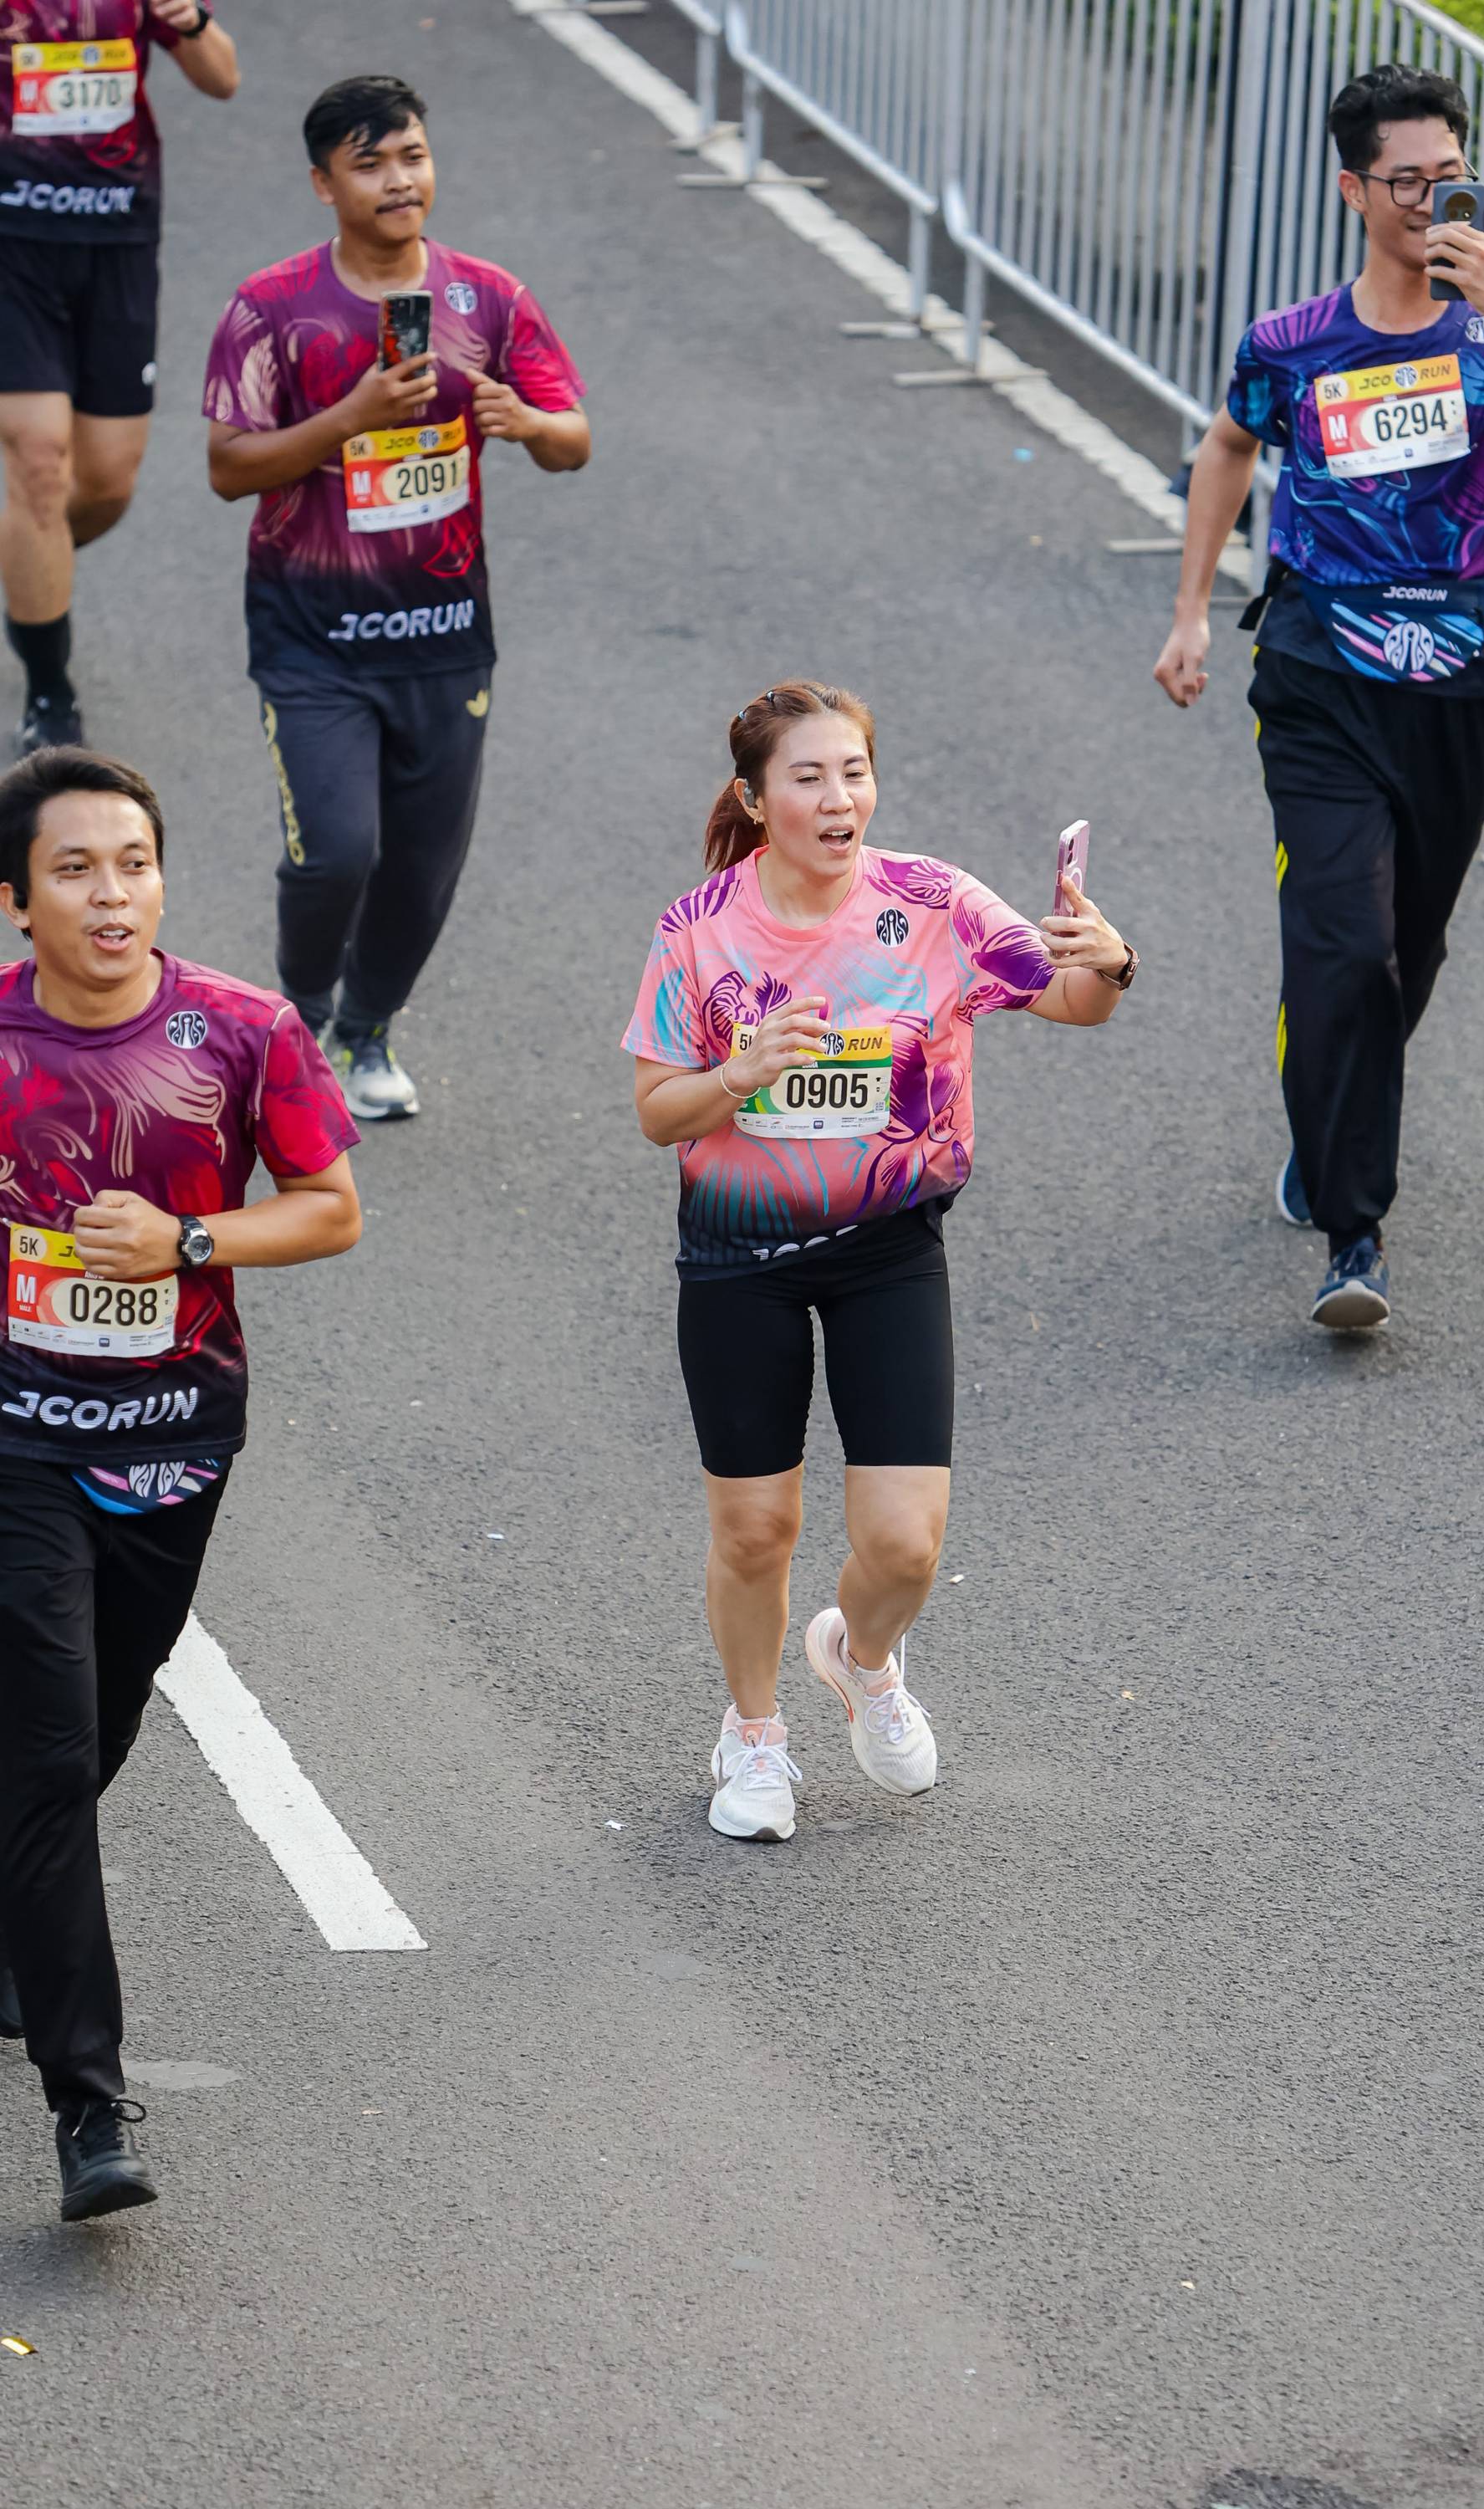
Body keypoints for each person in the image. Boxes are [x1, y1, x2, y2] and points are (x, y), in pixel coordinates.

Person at [623, 682, 1137, 1842]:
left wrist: (1111, 962)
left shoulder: (933, 902)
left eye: (853, 773)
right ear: (755, 800)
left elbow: (1070, 999)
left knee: (905, 1546)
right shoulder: (698, 929)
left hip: (889, 1251)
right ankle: (755, 1736)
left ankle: (861, 1660)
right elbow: (657, 1113)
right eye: (807, 778)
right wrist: (739, 1073)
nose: (837, 798)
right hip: (740, 1258)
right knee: (756, 1530)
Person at [1153, 62, 1484, 1331]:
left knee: (1406, 950)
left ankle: (1330, 1111)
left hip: (1454, 679)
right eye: (1403, 182)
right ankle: (1354, 1235)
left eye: (1448, 177)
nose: (1428, 202)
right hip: (1317, 671)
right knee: (1342, 942)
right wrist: (1190, 610)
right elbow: (1229, 443)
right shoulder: (1291, 342)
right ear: (1352, 190)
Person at [0, 744, 360, 2222]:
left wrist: (189, 1242)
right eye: (75, 869)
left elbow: (331, 1209)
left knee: (97, 1728)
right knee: (44, 1752)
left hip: (176, 1436)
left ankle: (19, 1917)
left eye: (134, 866)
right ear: (17, 900)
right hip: (17, 1438)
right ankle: (90, 2108)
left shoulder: (244, 1030)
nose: (111, 895)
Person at [202, 73, 589, 1122]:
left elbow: (573, 439)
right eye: (368, 164)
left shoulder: (488, 299)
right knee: (336, 852)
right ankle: (297, 1016)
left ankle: (365, 1030)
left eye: (411, 156)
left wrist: (528, 424)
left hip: (444, 636)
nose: (397, 180)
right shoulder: (272, 307)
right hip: (311, 637)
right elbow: (229, 467)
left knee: (420, 870)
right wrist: (351, 416)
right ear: (323, 184)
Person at [0, 0, 239, 754]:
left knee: (106, 485)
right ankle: (50, 694)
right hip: (11, 241)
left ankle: (29, 566)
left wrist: (192, 22)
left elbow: (223, 78)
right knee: (39, 462)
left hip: (118, 238)